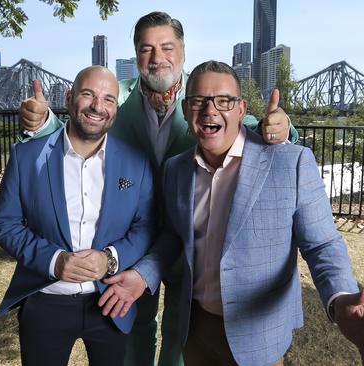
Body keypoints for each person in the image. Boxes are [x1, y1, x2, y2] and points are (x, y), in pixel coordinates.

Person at [17, 12, 298, 366]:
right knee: (134, 325)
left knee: (180, 333)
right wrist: (43, 123)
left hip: (192, 241)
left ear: (182, 50)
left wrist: (284, 128)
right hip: (130, 241)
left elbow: (247, 124)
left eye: (167, 47)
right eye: (146, 49)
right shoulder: (116, 102)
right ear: (136, 55)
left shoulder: (202, 97)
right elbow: (80, 129)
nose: (157, 57)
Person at [98, 61, 364, 366]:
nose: (210, 111)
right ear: (185, 110)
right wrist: (143, 275)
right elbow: (172, 236)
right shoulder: (176, 169)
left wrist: (340, 300)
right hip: (195, 331)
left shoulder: (290, 162)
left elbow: (322, 244)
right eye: (199, 102)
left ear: (242, 109)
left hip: (259, 336)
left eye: (223, 101)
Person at [0, 66, 155, 366]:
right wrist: (54, 261)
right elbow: (3, 223)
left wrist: (110, 258)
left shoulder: (136, 162)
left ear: (115, 109)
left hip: (111, 301)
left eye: (108, 99)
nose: (97, 106)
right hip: (45, 300)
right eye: (88, 94)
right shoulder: (27, 156)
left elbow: (145, 226)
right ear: (69, 97)